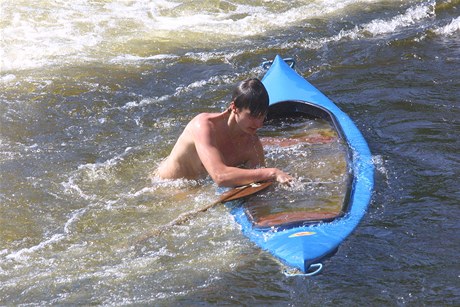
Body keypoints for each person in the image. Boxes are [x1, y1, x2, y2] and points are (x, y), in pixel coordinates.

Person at [155, 78, 293, 187]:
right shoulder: (203, 126)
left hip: (198, 187)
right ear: (234, 107)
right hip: (165, 188)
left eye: (262, 116)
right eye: (252, 116)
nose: (259, 124)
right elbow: (220, 177)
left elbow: (259, 180)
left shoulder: (253, 145)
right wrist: (272, 172)